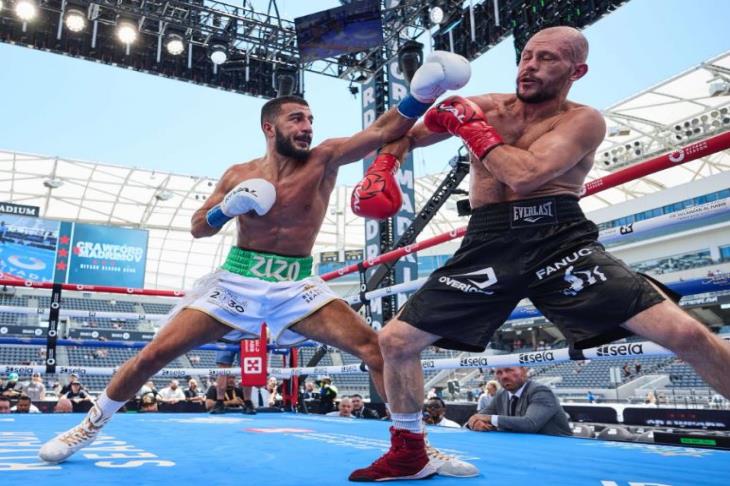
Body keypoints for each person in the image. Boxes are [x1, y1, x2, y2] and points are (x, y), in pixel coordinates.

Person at [38, 51, 474, 475]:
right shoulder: (238, 173)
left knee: (376, 348)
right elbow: (197, 228)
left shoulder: (324, 158)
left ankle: (417, 448)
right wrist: (226, 209)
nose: (306, 128)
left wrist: (422, 94)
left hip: (296, 285)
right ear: (270, 127)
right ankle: (87, 427)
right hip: (237, 280)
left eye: (310, 120)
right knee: (155, 354)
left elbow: (383, 129)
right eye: (296, 120)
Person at [350, 25, 730, 481]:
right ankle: (410, 452)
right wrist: (386, 167)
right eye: (527, 56)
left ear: (577, 70)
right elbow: (404, 134)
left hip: (559, 236)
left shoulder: (582, 120)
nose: (530, 66)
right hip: (488, 240)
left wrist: (467, 127)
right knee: (394, 341)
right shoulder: (488, 105)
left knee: (685, 333)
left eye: (547, 59)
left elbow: (526, 175)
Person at [465, 367, 571, 436]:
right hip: (522, 447)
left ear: (524, 371)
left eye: (509, 370)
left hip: (557, 448)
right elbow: (479, 416)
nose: (504, 376)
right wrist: (475, 422)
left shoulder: (540, 391)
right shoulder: (501, 394)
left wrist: (489, 418)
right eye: (499, 372)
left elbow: (530, 424)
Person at [209, 331, 256, 415]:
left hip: (244, 333)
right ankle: (220, 402)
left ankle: (247, 402)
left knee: (246, 367)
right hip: (230, 333)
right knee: (225, 368)